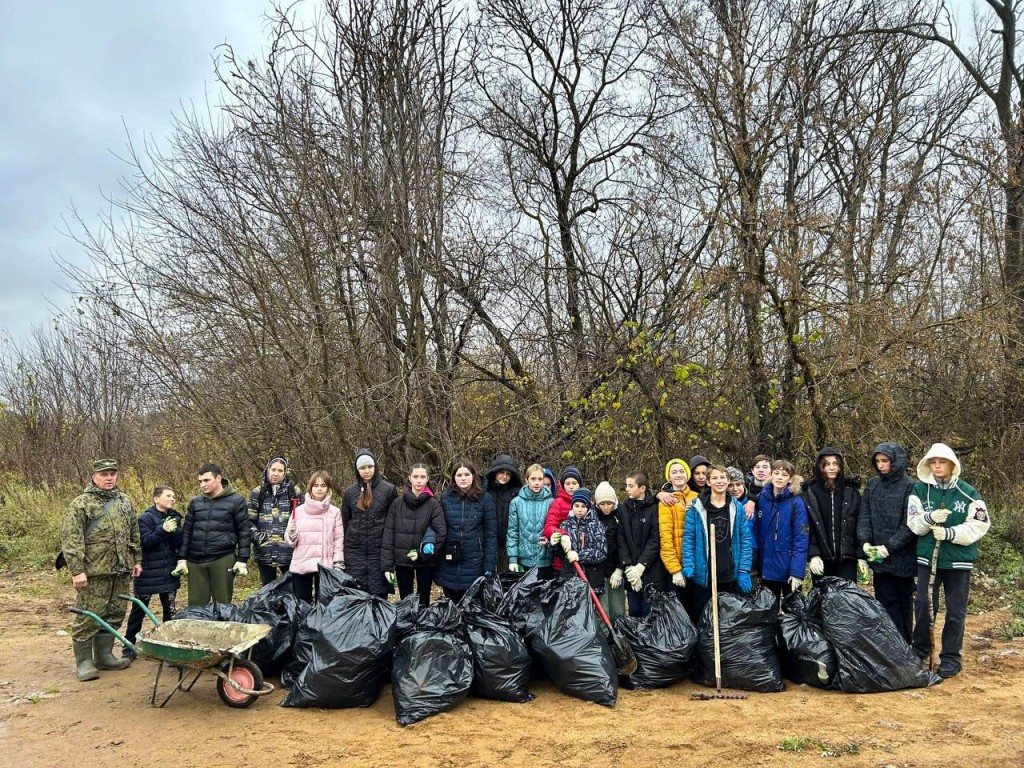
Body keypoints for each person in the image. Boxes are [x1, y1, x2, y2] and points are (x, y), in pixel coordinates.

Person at [907, 443, 991, 678]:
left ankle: (952, 657)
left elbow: (980, 524)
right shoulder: (920, 491)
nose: (937, 466)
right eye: (933, 462)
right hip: (927, 559)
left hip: (958, 561)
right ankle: (920, 650)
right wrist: (929, 517)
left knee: (956, 611)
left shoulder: (968, 493)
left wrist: (951, 533)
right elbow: (913, 522)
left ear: (952, 464)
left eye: (941, 462)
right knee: (923, 605)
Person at [60, 459, 141, 681]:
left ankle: (104, 656)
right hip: (94, 572)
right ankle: (84, 662)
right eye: (104, 474)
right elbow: (71, 539)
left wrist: (137, 560)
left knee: (115, 613)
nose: (109, 478)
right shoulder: (81, 504)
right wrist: (77, 571)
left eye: (112, 474)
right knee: (89, 616)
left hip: (121, 569)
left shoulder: (125, 501)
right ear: (94, 476)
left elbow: (134, 533)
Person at [857, 442, 918, 642]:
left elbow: (910, 524)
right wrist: (865, 542)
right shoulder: (873, 484)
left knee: (903, 602)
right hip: (878, 557)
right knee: (884, 601)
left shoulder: (910, 486)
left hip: (903, 558)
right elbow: (864, 515)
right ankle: (889, 644)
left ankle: (905, 643)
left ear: (896, 461)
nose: (881, 465)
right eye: (878, 461)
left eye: (885, 461)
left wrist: (889, 547)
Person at [681, 465, 754, 623]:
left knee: (728, 619)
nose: (719, 481)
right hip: (704, 575)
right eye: (714, 478)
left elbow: (745, 541)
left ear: (728, 481)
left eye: (722, 478)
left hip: (729, 574)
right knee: (702, 618)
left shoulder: (737, 508)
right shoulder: (697, 507)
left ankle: (725, 648)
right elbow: (689, 538)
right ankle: (705, 648)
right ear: (708, 482)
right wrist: (689, 564)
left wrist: (743, 570)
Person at [175, 463, 251, 606]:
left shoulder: (236, 501)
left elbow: (244, 531)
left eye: (206, 480)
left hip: (222, 558)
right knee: (196, 607)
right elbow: (187, 532)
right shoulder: (195, 502)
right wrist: (182, 558)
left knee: (223, 605)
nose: (202, 485)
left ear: (218, 478)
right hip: (196, 561)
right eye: (200, 481)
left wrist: (242, 559)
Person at [123, 486, 182, 661]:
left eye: (173, 496)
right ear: (156, 499)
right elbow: (145, 543)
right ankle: (128, 646)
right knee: (139, 611)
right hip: (148, 573)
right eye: (168, 496)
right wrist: (163, 530)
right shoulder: (145, 518)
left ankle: (169, 647)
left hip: (168, 571)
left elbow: (178, 543)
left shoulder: (175, 516)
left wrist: (176, 530)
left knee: (170, 612)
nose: (172, 499)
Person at [381, 463, 447, 609]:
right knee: (406, 601)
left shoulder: (433, 504)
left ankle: (422, 629)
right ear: (409, 478)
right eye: (415, 476)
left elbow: (441, 532)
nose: (419, 480)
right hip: (402, 561)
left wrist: (423, 553)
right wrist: (387, 565)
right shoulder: (397, 504)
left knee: (423, 600)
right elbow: (388, 534)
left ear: (427, 479)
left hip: (425, 561)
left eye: (422, 477)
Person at [437, 461, 497, 603]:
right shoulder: (445, 499)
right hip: (450, 560)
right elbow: (439, 527)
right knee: (452, 606)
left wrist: (489, 564)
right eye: (459, 475)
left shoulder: (485, 499)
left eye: (466, 474)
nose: (463, 478)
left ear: (473, 476)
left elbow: (491, 533)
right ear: (453, 478)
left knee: (471, 607)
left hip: (475, 560)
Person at [341, 449, 398, 598]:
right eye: (362, 468)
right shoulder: (349, 493)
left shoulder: (389, 490)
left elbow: (393, 523)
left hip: (379, 553)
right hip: (355, 554)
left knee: (379, 601)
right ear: (357, 470)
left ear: (375, 467)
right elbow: (345, 522)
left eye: (369, 467)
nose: (366, 471)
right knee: (358, 600)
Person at [802, 448, 863, 584]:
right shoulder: (810, 492)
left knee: (846, 601)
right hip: (821, 558)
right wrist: (813, 554)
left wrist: (861, 554)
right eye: (827, 464)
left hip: (847, 558)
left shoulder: (851, 491)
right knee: (823, 601)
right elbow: (807, 526)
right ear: (820, 466)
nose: (831, 468)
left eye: (835, 464)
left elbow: (859, 523)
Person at [753, 460, 809, 603]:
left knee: (794, 614)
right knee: (768, 612)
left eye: (784, 475)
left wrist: (797, 572)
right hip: (766, 566)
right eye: (776, 473)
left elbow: (801, 538)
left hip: (788, 567)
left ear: (790, 479)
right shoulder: (761, 498)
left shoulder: (796, 502)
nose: (779, 477)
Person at [285, 470, 344, 604]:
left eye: (323, 485)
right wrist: (291, 535)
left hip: (325, 565)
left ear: (328, 488)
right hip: (302, 564)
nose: (319, 488)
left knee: (324, 606)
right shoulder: (298, 511)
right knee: (301, 606)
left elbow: (338, 539)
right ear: (310, 487)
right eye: (316, 485)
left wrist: (338, 563)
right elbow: (290, 542)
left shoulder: (335, 512)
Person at [617, 470, 667, 617]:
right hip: (632, 571)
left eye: (631, 486)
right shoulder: (623, 509)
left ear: (642, 488)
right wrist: (629, 567)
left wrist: (641, 566)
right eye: (626, 485)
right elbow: (622, 539)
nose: (627, 489)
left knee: (650, 613)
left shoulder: (654, 507)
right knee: (634, 611)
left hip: (652, 572)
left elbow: (655, 539)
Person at [248, 455, 298, 586]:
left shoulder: (294, 492)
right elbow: (248, 521)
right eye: (273, 469)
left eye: (280, 470)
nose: (276, 473)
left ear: (285, 472)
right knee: (268, 591)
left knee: (292, 590)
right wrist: (259, 538)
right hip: (264, 552)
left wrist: (293, 538)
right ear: (267, 470)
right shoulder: (257, 493)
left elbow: (302, 519)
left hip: (289, 552)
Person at [656, 458, 695, 604]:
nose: (678, 475)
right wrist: (675, 570)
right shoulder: (666, 501)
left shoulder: (697, 498)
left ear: (687, 474)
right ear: (669, 477)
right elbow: (665, 537)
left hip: (695, 565)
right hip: (676, 566)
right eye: (674, 472)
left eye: (681, 471)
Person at [506, 463, 554, 576]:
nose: (537, 482)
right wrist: (513, 558)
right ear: (527, 480)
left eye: (540, 479)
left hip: (546, 561)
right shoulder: (516, 503)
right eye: (533, 479)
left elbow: (554, 529)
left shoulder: (551, 502)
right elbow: (512, 532)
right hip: (524, 561)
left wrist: (550, 542)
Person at [556, 488, 607, 592]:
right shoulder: (565, 526)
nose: (579, 510)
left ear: (589, 507)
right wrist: (553, 544)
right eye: (576, 506)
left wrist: (579, 556)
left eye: (583, 506)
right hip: (570, 579)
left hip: (591, 579)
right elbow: (560, 553)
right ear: (572, 506)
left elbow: (601, 552)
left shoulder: (597, 526)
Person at [484, 454, 523, 572]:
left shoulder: (516, 493)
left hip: (509, 546)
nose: (504, 476)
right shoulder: (486, 492)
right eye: (501, 472)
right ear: (495, 472)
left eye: (508, 474)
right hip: (489, 544)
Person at [594, 481, 625, 622]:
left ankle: (620, 633)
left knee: (617, 608)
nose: (606, 507)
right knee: (602, 609)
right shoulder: (593, 519)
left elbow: (624, 545)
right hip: (599, 571)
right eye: (602, 503)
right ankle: (605, 638)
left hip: (615, 568)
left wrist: (620, 568)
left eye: (609, 503)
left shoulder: (619, 518)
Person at [543, 466, 582, 573]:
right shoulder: (557, 503)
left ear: (579, 484)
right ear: (562, 485)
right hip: (562, 560)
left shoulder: (586, 503)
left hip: (583, 560)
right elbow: (549, 527)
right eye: (568, 483)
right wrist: (563, 534)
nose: (571, 487)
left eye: (574, 483)